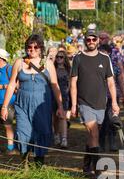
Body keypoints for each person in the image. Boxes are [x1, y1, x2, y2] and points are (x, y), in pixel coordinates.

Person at [1, 34, 64, 166]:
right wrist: (4, 106)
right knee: (23, 132)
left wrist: (60, 106)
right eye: (29, 47)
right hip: (22, 104)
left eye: (36, 47)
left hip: (42, 105)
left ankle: (38, 166)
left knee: (42, 132)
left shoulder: (47, 64)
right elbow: (12, 84)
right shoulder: (19, 62)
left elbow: (54, 85)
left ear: (41, 48)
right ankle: (25, 165)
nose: (32, 49)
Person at [70, 29, 119, 176]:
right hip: (84, 102)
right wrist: (73, 104)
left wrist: (115, 102)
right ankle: (97, 169)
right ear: (84, 41)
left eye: (93, 39)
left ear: (98, 41)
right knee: (94, 133)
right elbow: (73, 82)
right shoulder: (78, 58)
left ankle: (86, 164)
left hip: (101, 103)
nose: (91, 42)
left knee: (93, 135)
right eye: (88, 39)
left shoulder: (105, 59)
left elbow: (111, 82)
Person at [0, 48, 16, 154]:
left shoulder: (9, 69)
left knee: (7, 124)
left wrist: (3, 86)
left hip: (9, 102)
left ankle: (11, 147)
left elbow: (16, 86)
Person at [54, 49, 71, 148]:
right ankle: (56, 135)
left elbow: (71, 84)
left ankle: (64, 138)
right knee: (54, 118)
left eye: (61, 57)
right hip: (52, 96)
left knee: (62, 117)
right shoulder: (53, 69)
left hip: (64, 95)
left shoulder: (68, 70)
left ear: (65, 59)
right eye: (57, 57)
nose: (59, 59)